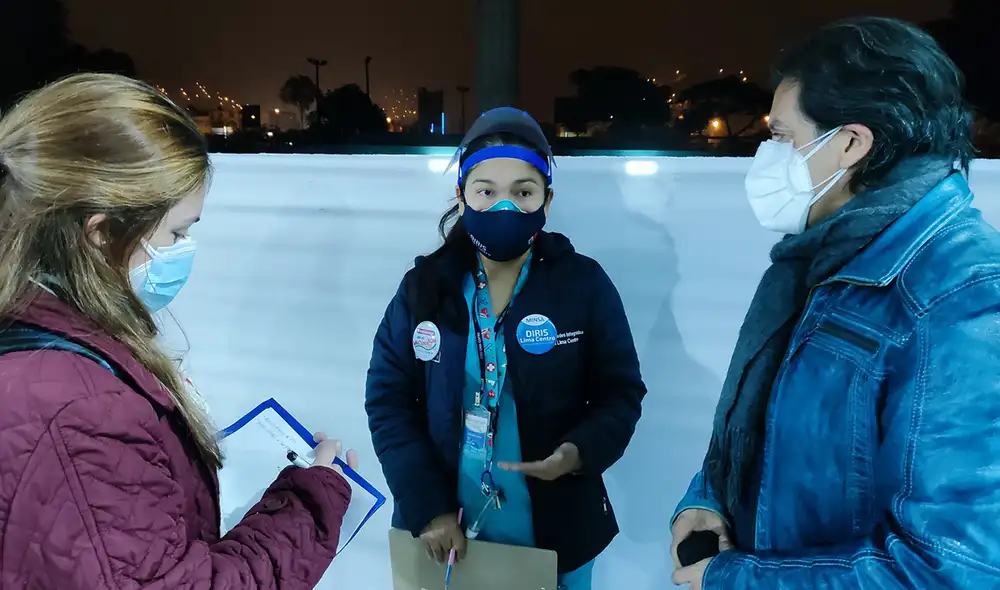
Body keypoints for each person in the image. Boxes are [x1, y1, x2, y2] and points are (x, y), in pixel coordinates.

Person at [669, 16, 1000, 590]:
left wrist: (733, 580)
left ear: (850, 143)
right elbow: (775, 426)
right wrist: (708, 496)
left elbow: (951, 571)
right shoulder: (828, 256)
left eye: (780, 137)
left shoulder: (960, 300)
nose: (766, 157)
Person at [0, 73, 357, 588]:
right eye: (176, 233)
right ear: (100, 233)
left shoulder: (38, 334)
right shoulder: (81, 412)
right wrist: (308, 505)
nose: (184, 251)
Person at [365, 107, 646, 589]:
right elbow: (388, 399)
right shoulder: (423, 289)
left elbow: (620, 392)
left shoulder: (582, 284)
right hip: (447, 533)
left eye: (523, 192)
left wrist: (579, 452)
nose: (504, 207)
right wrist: (427, 507)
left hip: (558, 532)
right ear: (461, 195)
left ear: (546, 201)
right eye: (486, 191)